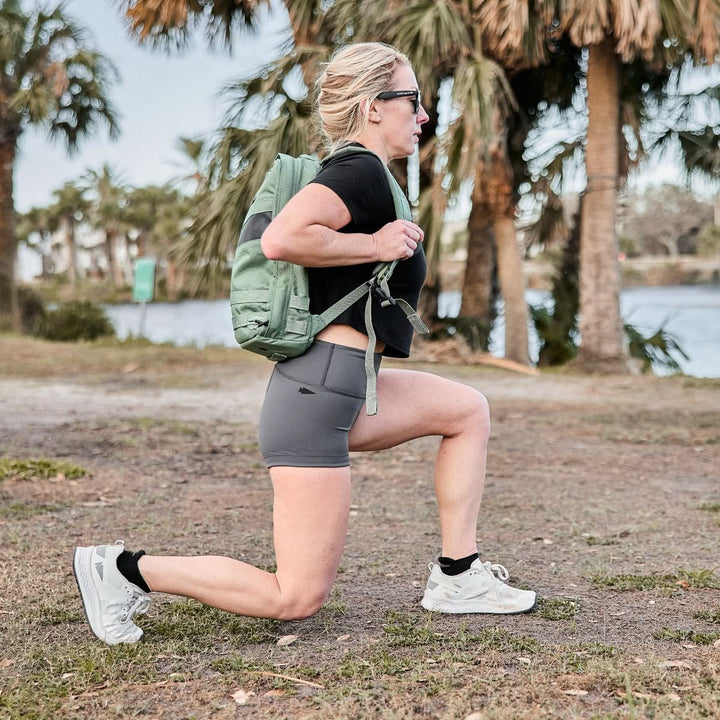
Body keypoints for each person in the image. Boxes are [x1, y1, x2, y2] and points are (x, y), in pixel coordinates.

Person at [73, 41, 536, 646]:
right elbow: (284, 237)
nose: (424, 115)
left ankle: (458, 575)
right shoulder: (358, 170)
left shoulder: (370, 177)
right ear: (373, 107)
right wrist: (375, 246)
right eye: (413, 100)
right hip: (318, 393)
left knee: (466, 410)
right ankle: (121, 570)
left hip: (342, 386)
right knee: (296, 596)